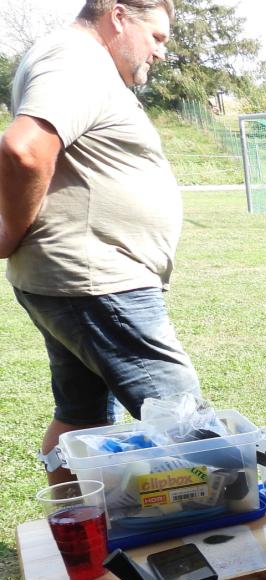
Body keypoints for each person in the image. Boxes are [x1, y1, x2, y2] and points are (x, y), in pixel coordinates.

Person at [0, 0, 200, 484]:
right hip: (98, 282)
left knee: (80, 417)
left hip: (76, 280)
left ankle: (74, 523)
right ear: (118, 16)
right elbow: (23, 150)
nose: (160, 52)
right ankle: (214, 526)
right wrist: (10, 231)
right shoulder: (77, 59)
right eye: (156, 37)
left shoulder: (78, 61)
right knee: (189, 430)